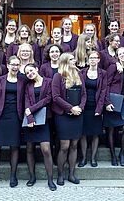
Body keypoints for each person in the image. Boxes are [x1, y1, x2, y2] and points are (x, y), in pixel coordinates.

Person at [0, 56, 26, 188]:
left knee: (14, 146)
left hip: (15, 116)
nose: (15, 67)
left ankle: (13, 176)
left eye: (17, 65)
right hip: (1, 116)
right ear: (7, 65)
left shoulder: (22, 80)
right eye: (12, 64)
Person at [52, 52, 86, 185]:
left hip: (78, 115)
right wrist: (70, 108)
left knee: (74, 145)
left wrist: (80, 108)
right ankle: (60, 175)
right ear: (65, 61)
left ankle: (71, 174)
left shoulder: (79, 74)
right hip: (63, 116)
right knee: (64, 146)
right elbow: (56, 97)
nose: (74, 61)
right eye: (71, 59)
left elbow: (84, 94)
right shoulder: (58, 76)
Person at [23, 63, 56, 191]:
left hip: (44, 119)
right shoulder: (28, 85)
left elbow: (48, 98)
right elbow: (26, 102)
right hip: (30, 120)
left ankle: (50, 179)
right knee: (30, 149)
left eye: (31, 70)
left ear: (37, 69)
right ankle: (32, 177)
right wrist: (30, 117)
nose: (30, 74)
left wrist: (32, 109)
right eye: (27, 73)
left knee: (46, 149)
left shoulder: (48, 82)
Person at [79, 51, 107, 167]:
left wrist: (99, 109)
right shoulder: (82, 72)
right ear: (88, 59)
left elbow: (103, 91)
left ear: (99, 60)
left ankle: (93, 158)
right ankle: (84, 158)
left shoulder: (103, 73)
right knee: (83, 133)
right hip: (84, 105)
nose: (93, 60)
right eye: (91, 58)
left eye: (95, 58)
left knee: (95, 133)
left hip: (96, 106)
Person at [103, 47, 124, 166]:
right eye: (120, 54)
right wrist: (107, 102)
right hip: (113, 100)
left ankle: (122, 153)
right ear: (117, 56)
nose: (123, 55)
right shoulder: (113, 67)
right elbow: (106, 85)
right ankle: (113, 155)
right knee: (111, 129)